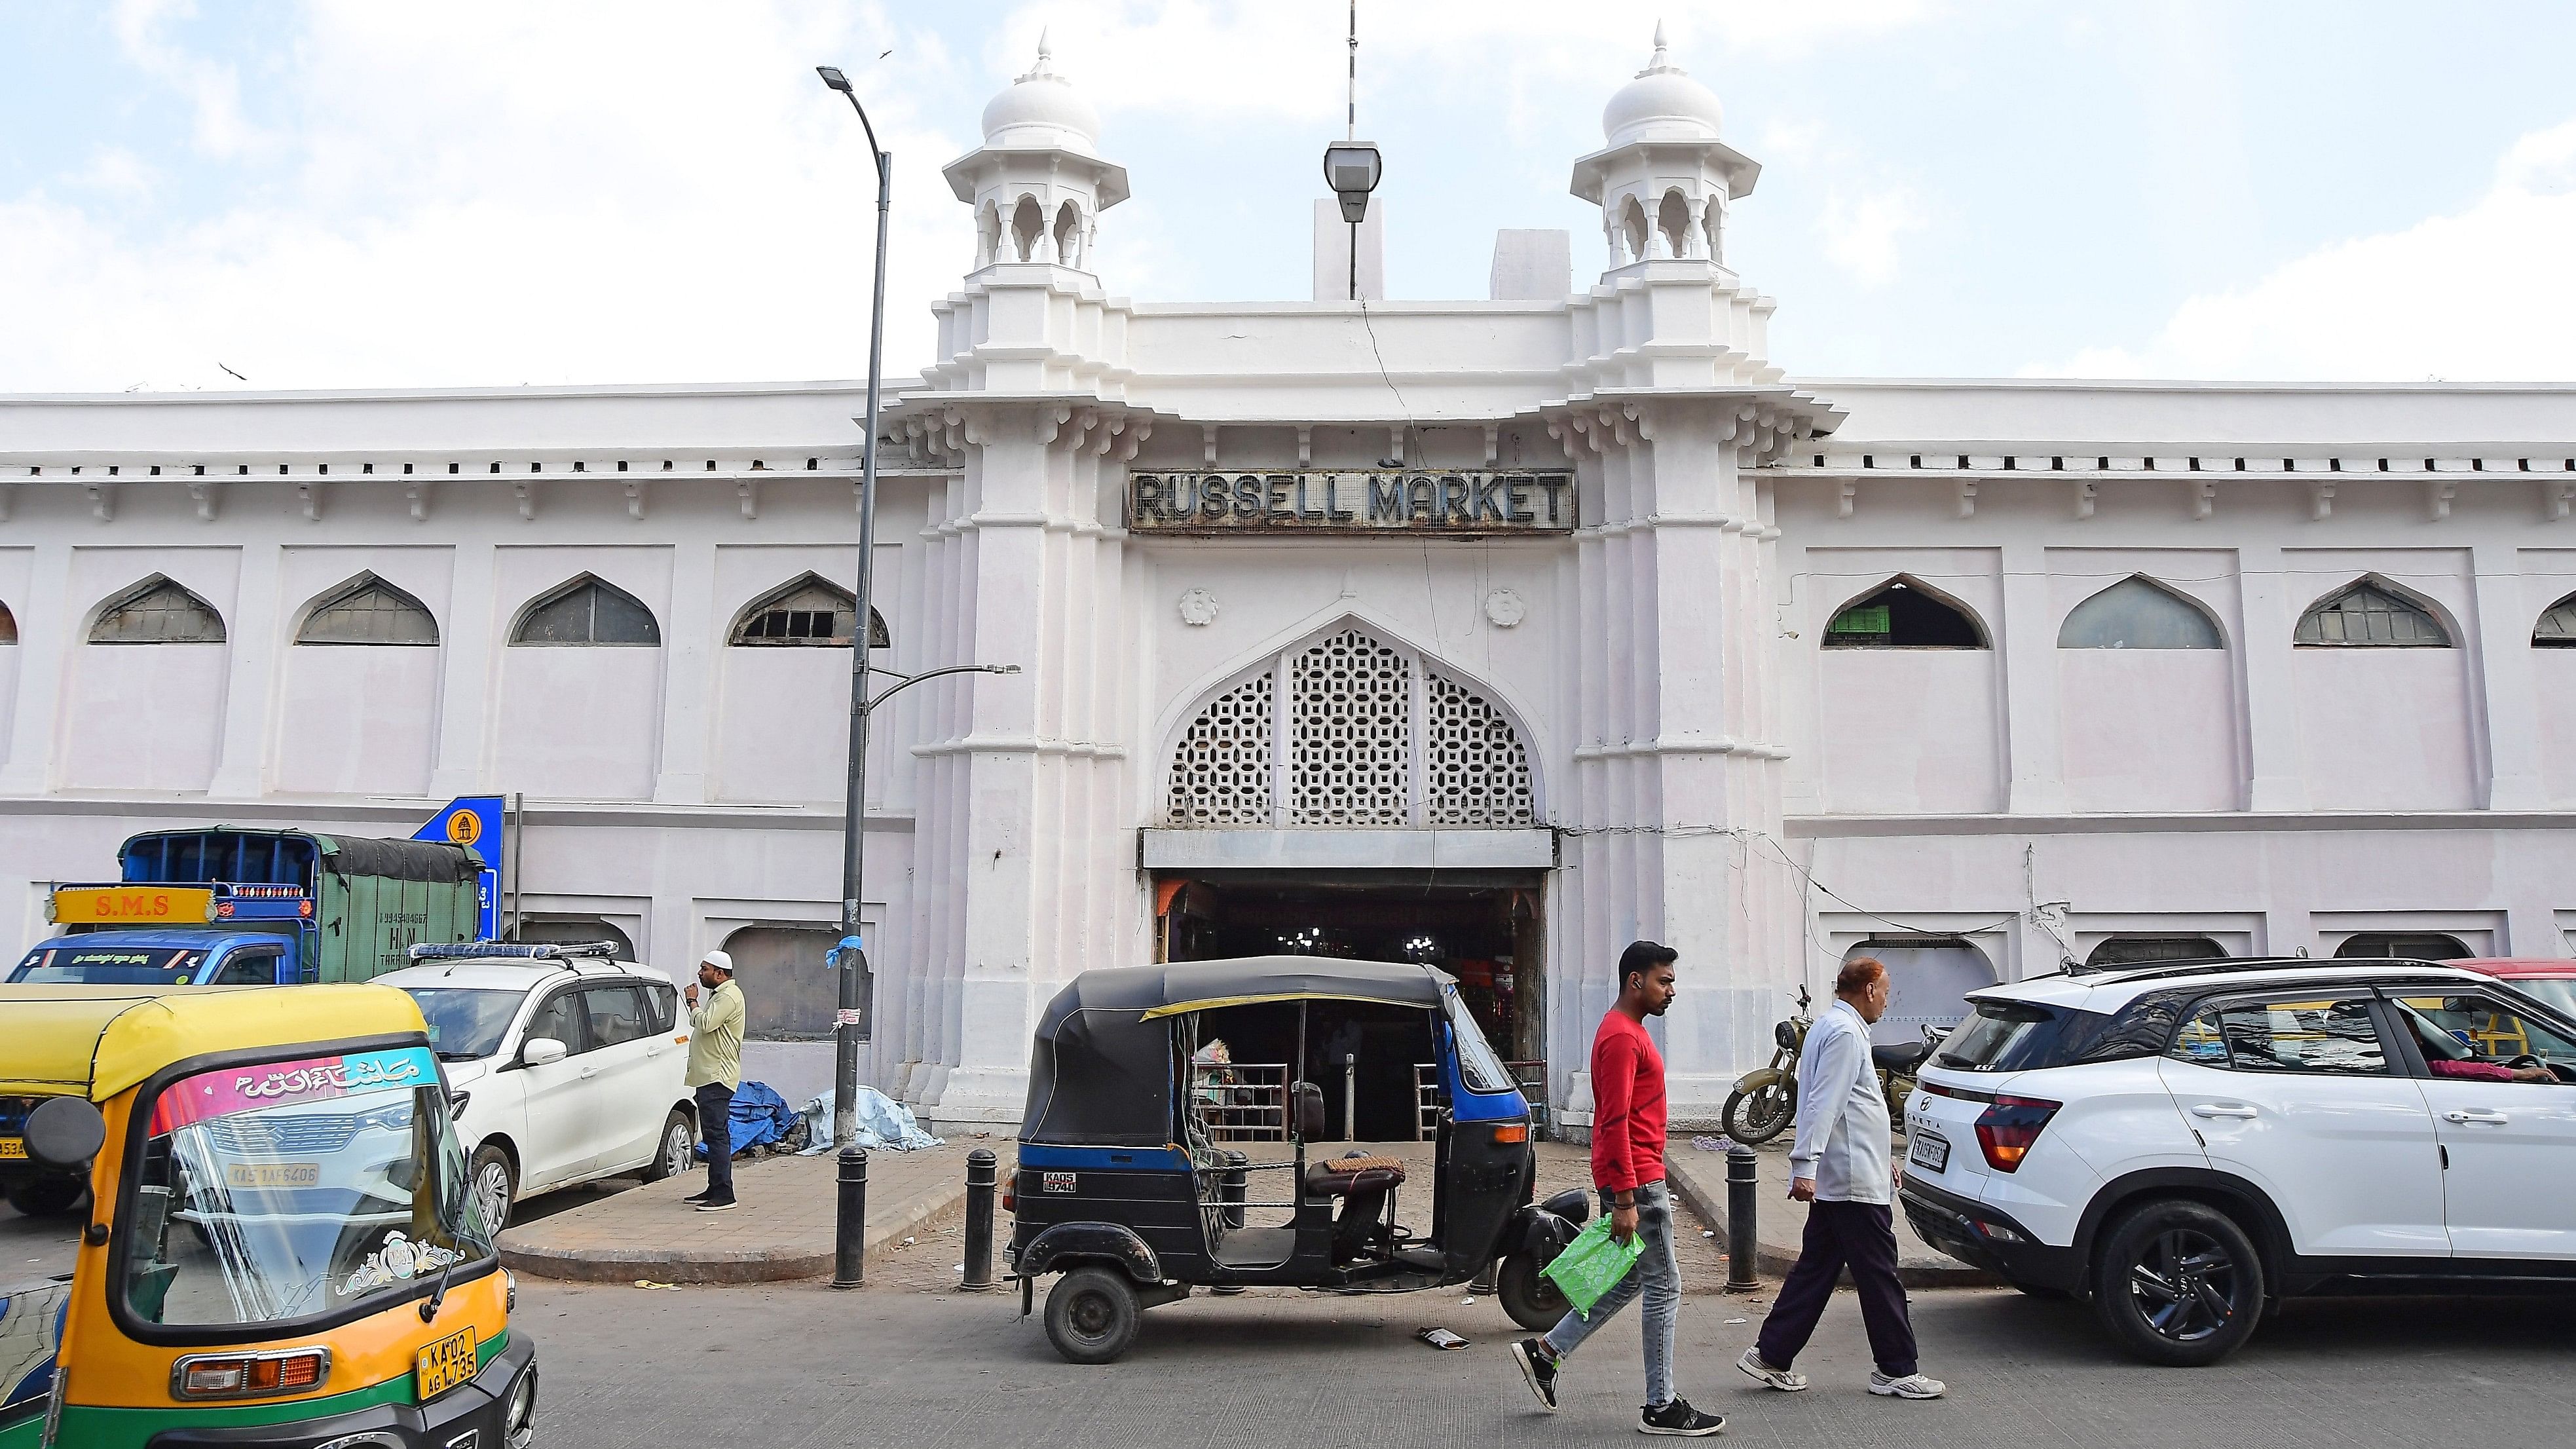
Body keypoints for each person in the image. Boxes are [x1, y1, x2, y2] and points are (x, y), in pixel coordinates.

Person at [1512, 941, 1726, 1437]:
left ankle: (1545, 1354)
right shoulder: (1622, 1038)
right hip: (1638, 1182)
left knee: (1633, 1280)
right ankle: (1661, 1405)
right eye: (1663, 981)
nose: (1671, 990)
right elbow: (1611, 1123)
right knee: (1665, 1285)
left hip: (1634, 1177)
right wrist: (1626, 1198)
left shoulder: (1624, 1032)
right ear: (1635, 981)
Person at [1740, 957, 1945, 1399]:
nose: (1887, 1003)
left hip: (1849, 1174)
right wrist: (1804, 1166)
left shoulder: (1833, 1028)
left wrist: (1878, 1162)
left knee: (1816, 1270)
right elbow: (1822, 1105)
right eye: (1886, 993)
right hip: (1850, 1182)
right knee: (1878, 1274)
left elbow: (1854, 1108)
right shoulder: (1845, 1033)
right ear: (1868, 990)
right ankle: (1895, 1369)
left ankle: (1771, 1354)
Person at [682, 949, 747, 1212]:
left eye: (705, 969)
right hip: (709, 1075)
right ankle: (714, 1187)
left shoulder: (729, 996)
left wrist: (693, 1003)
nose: (700, 973)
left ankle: (724, 1194)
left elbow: (706, 1024)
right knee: (712, 1134)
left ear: (720, 974)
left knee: (717, 1136)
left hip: (717, 1077)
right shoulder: (721, 995)